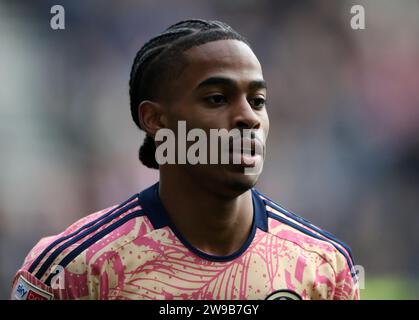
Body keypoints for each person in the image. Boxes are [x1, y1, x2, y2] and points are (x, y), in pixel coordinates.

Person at [11, 19, 359, 300]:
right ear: (156, 120)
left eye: (257, 100)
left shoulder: (323, 268)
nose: (248, 118)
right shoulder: (73, 269)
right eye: (217, 98)